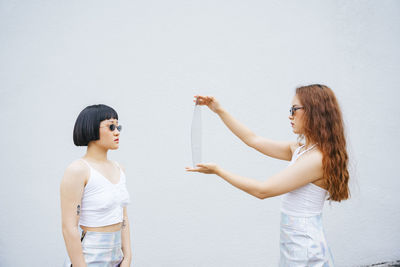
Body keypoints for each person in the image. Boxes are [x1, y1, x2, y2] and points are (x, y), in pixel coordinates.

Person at [186, 84, 350, 266]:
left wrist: (218, 171)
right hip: (296, 242)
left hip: (305, 247)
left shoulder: (316, 159)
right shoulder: (301, 150)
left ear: (315, 112)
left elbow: (263, 191)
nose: (290, 115)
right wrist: (219, 110)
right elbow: (253, 140)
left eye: (294, 109)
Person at [60, 104, 132, 267]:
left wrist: (127, 257)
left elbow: (123, 217)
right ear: (91, 128)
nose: (117, 132)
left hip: (117, 258)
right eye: (111, 126)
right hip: (89, 258)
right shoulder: (78, 170)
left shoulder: (119, 169)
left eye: (118, 126)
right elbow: (69, 227)